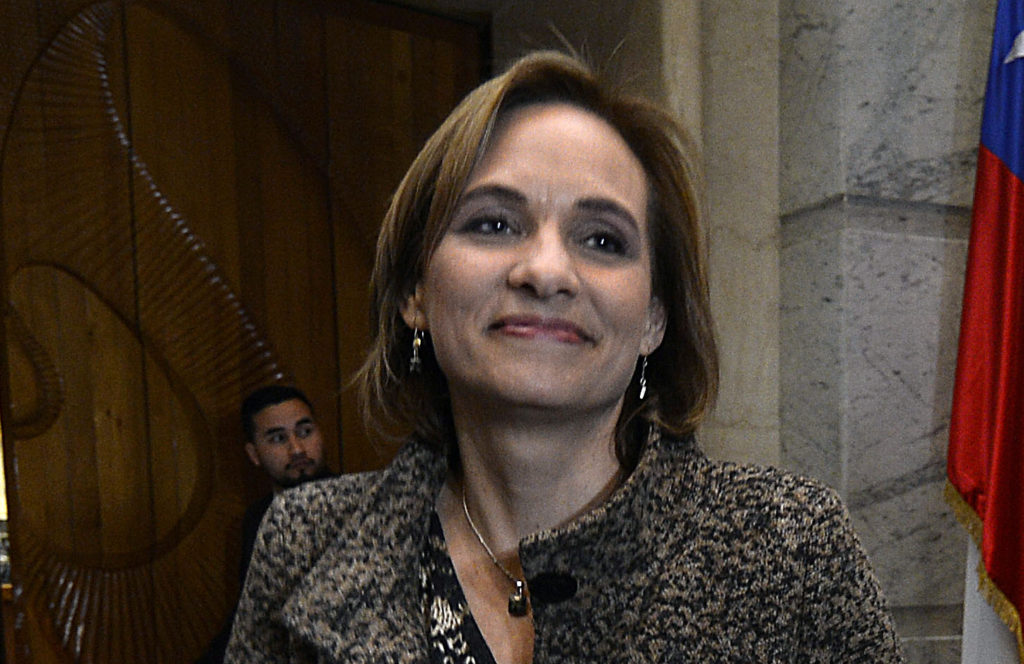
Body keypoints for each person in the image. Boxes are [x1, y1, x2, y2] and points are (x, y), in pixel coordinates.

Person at [226, 51, 904, 663]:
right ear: (414, 292)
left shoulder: (789, 545)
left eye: (603, 240)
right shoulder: (303, 541)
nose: (547, 271)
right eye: (493, 223)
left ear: (655, 318)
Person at [197, 385, 332, 664]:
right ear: (254, 454)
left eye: (305, 432)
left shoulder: (360, 505)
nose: (297, 449)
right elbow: (249, 618)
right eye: (279, 438)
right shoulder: (257, 518)